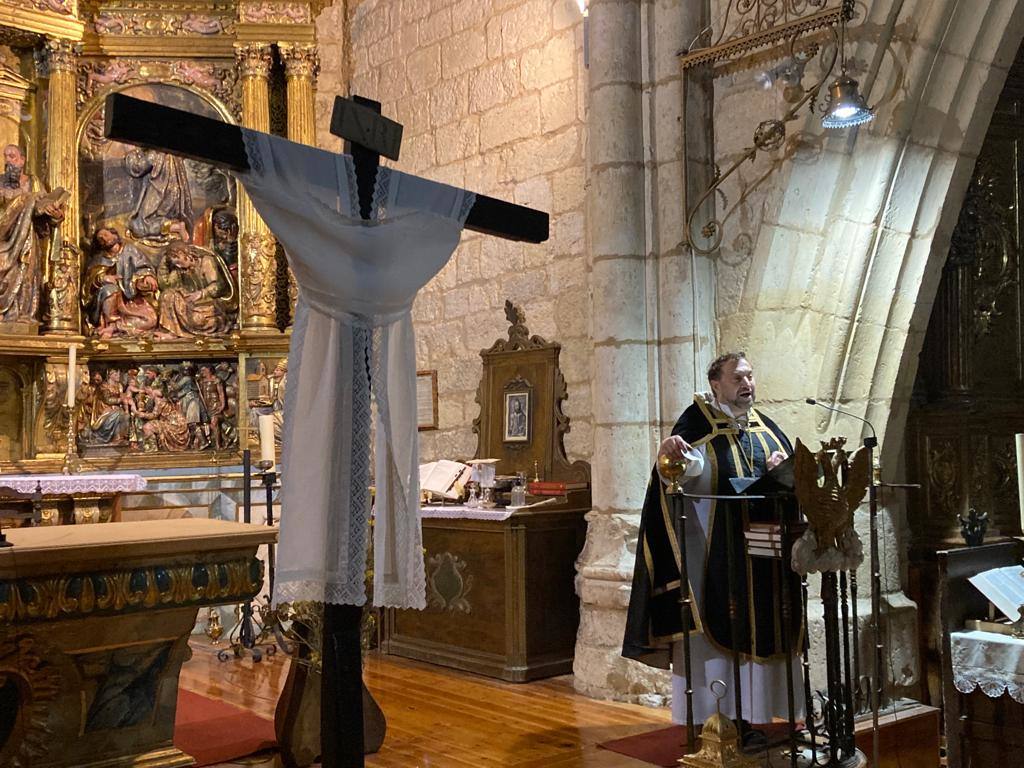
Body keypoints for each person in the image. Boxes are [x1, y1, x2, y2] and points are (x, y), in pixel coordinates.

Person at [622, 351, 801, 727]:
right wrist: (675, 459)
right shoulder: (694, 426)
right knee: (720, 632)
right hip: (714, 559)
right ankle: (720, 722)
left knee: (765, 627)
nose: (747, 384)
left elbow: (789, 483)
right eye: (738, 378)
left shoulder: (767, 429)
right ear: (716, 384)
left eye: (750, 376)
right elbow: (683, 473)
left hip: (763, 556)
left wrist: (782, 470)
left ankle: (757, 717)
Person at [0, 144, 64, 326]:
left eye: (12, 156)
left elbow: (43, 209)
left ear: (22, 160)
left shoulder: (34, 183)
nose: (7, 161)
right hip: (4, 237)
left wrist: (54, 215)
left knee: (27, 273)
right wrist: (25, 200)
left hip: (28, 239)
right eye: (5, 157)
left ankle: (22, 316)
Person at [82, 226, 159, 338]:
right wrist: (102, 279)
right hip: (107, 303)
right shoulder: (98, 259)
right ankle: (109, 323)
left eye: (106, 235)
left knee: (150, 320)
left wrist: (147, 276)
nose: (104, 238)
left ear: (115, 235)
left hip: (130, 301)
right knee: (110, 289)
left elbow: (143, 267)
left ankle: (115, 328)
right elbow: (88, 283)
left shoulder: (130, 251)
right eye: (100, 238)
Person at [156, 241, 234, 337]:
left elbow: (218, 286)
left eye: (178, 261)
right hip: (191, 306)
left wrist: (201, 294)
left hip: (209, 305)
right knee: (167, 295)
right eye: (175, 264)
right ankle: (171, 332)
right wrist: (164, 262)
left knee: (198, 320)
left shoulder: (206, 261)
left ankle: (185, 330)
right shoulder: (181, 270)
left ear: (182, 253)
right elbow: (166, 285)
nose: (178, 266)